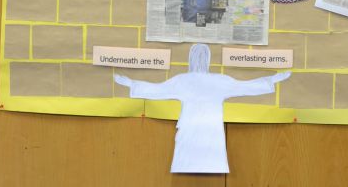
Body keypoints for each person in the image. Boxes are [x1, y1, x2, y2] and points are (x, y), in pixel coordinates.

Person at [115, 44, 291, 173]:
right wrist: (271, 80)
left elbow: (157, 90)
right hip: (202, 126)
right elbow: (245, 87)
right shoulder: (209, 80)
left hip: (203, 126)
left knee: (201, 152)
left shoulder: (189, 80)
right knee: (194, 153)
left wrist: (131, 83)